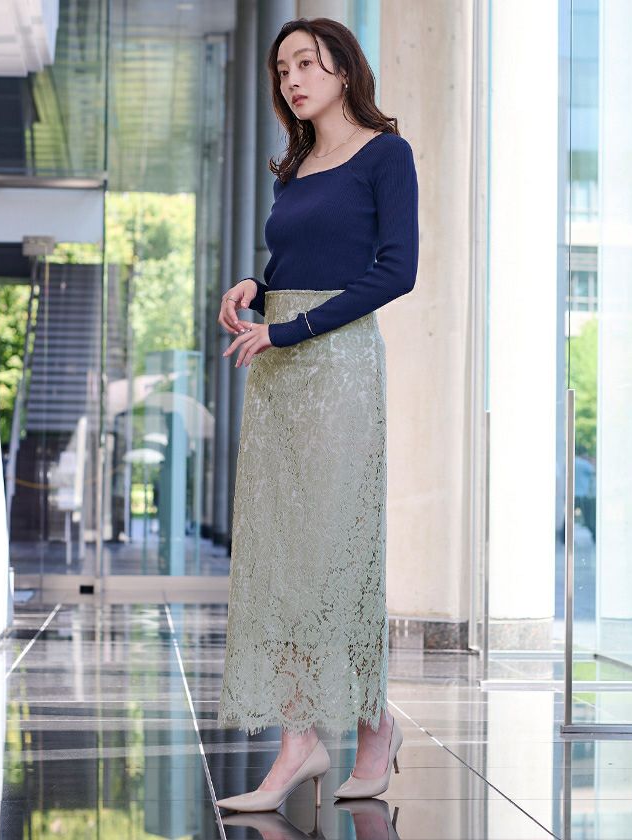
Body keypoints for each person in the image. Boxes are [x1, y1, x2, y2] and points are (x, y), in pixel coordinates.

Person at [215, 15, 418, 813]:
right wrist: (256, 287)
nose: (292, 79)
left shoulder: (386, 155)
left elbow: (395, 271)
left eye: (305, 63)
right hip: (278, 372)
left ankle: (374, 727)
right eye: (282, 69)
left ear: (343, 69)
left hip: (337, 368)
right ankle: (300, 740)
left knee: (342, 555)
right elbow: (296, 262)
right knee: (284, 558)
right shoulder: (295, 166)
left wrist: (290, 328)